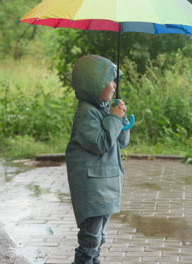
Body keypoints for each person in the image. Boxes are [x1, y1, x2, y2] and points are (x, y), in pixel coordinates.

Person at [66, 55, 130, 264]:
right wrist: (113, 119)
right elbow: (100, 143)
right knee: (90, 239)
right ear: (94, 85)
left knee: (99, 237)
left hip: (106, 183)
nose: (114, 85)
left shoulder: (104, 109)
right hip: (92, 187)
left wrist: (120, 118)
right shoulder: (86, 113)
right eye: (109, 81)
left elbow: (120, 143)